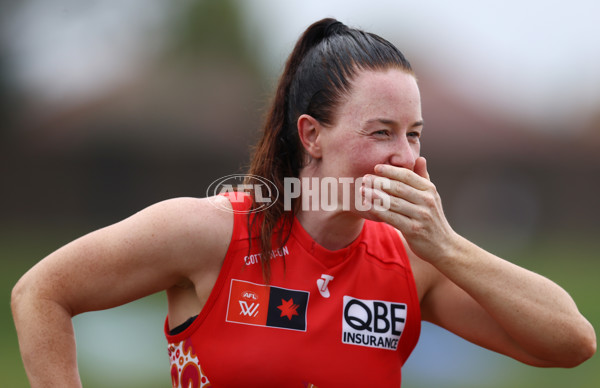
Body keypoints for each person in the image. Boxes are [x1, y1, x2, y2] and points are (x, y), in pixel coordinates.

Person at [11, 18, 595, 388]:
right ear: (312, 135)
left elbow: (571, 343)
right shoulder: (209, 231)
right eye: (380, 132)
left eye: (413, 134)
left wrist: (445, 245)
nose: (402, 156)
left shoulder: (413, 263)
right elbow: (40, 293)